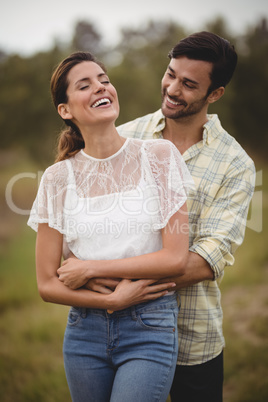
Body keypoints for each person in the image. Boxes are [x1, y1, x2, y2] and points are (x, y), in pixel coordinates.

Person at [27, 51, 194, 402]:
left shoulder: (160, 157)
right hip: (84, 332)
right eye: (85, 85)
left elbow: (175, 259)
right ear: (65, 110)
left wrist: (90, 268)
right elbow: (46, 284)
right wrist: (110, 301)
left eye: (104, 79)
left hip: (150, 325)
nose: (101, 88)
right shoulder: (57, 179)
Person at [117, 31, 256, 401]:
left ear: (215, 94)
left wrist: (123, 279)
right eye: (171, 74)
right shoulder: (124, 139)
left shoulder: (235, 164)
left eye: (189, 84)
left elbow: (209, 257)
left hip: (192, 340)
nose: (172, 89)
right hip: (120, 332)